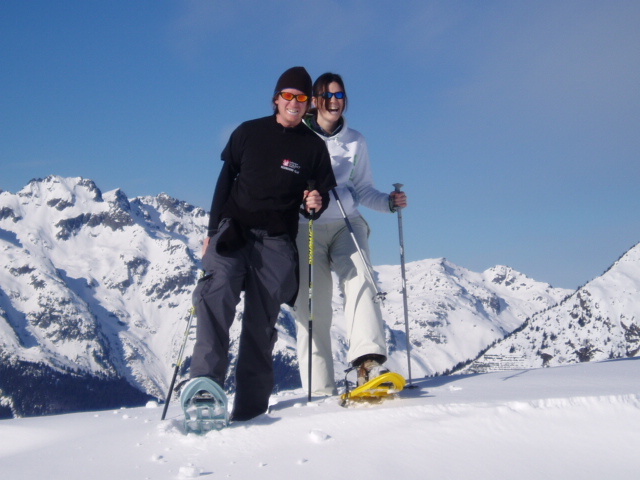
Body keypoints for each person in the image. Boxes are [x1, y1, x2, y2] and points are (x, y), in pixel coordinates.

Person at [188, 66, 337, 421]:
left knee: (261, 323)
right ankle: (206, 388)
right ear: (276, 99)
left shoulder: (314, 148)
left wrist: (315, 204)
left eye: (301, 98)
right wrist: (211, 231)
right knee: (215, 295)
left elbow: (317, 198)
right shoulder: (248, 133)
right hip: (233, 231)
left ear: (309, 105)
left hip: (275, 241)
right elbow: (225, 181)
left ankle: (250, 409)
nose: (294, 102)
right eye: (288, 95)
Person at [293, 72, 408, 396]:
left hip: (347, 223)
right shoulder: (295, 137)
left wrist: (388, 202)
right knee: (313, 306)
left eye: (339, 95)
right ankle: (319, 388)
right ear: (314, 101)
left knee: (362, 282)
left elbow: (363, 188)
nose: (334, 101)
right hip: (306, 228)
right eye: (326, 95)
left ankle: (368, 364)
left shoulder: (356, 140)